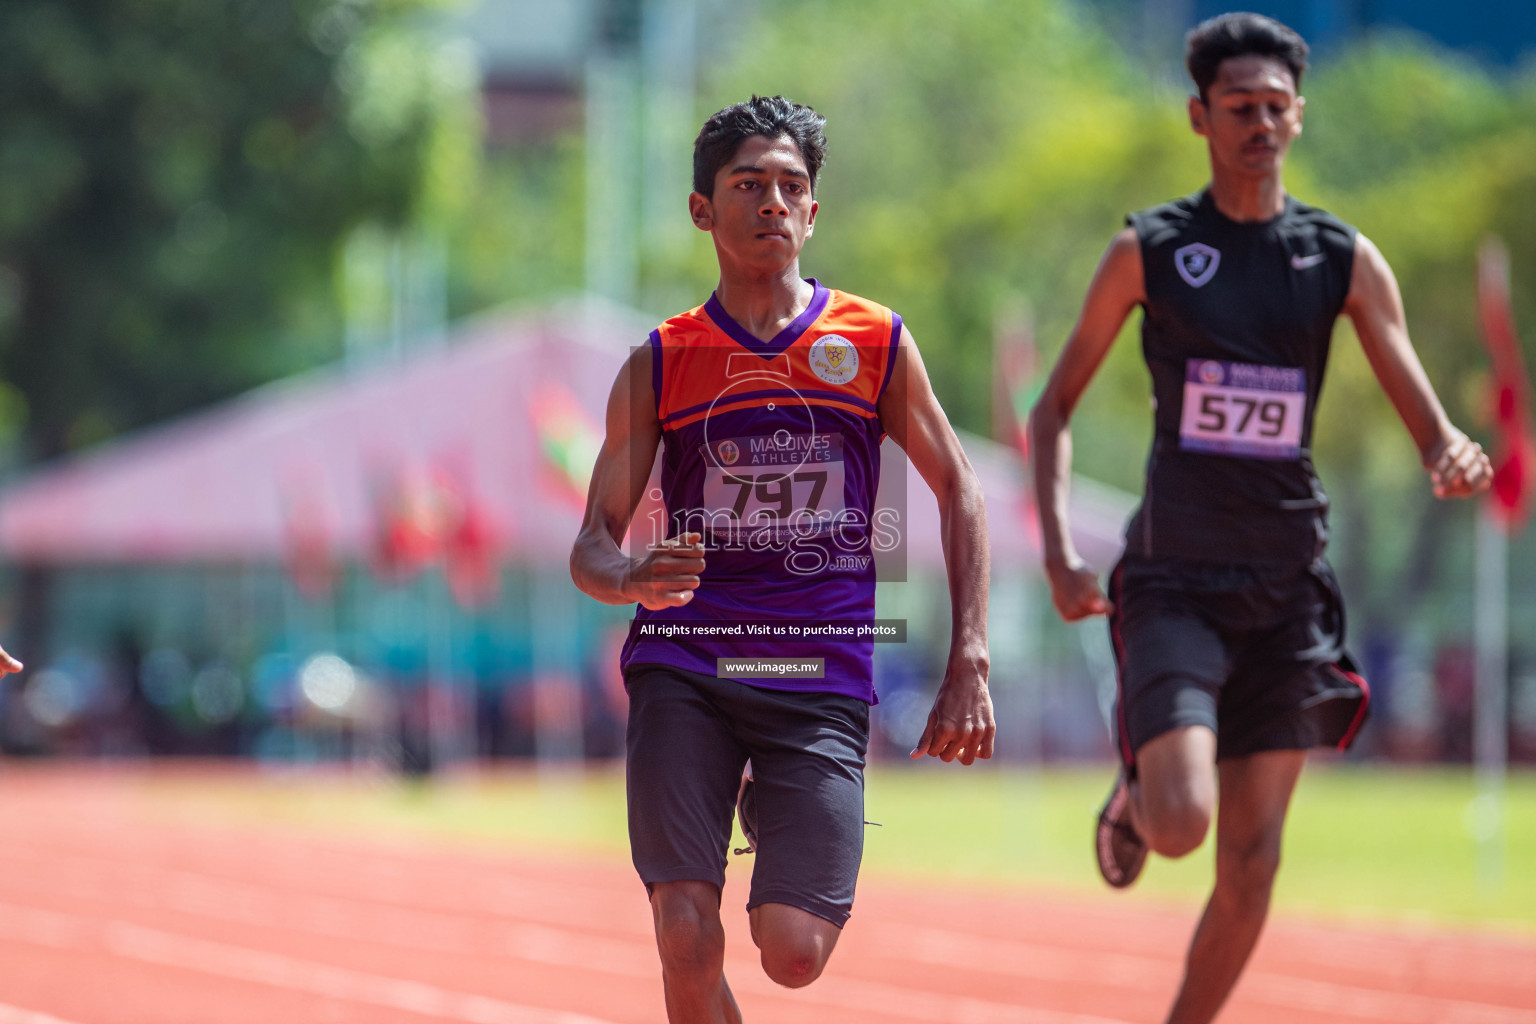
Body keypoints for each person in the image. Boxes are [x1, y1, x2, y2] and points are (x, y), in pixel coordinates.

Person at [1028, 14, 1491, 1024]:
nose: (1262, 125)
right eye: (1240, 108)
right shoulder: (1149, 250)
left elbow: (1426, 413)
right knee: (1186, 822)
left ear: (1300, 117)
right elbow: (1052, 407)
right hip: (1176, 581)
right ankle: (1142, 784)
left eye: (1278, 108)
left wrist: (1450, 448)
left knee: (1253, 860)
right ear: (1201, 116)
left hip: (1288, 589)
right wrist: (1061, 547)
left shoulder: (1342, 259)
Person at [570, 95, 994, 1023]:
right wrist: (630, 575)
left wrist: (969, 658)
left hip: (816, 666)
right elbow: (591, 549)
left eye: (791, 186)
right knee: (686, 935)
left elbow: (959, 487)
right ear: (701, 210)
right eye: (747, 184)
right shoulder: (662, 362)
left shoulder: (874, 341)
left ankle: (770, 802)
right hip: (686, 662)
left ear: (814, 211)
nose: (772, 202)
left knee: (794, 955)